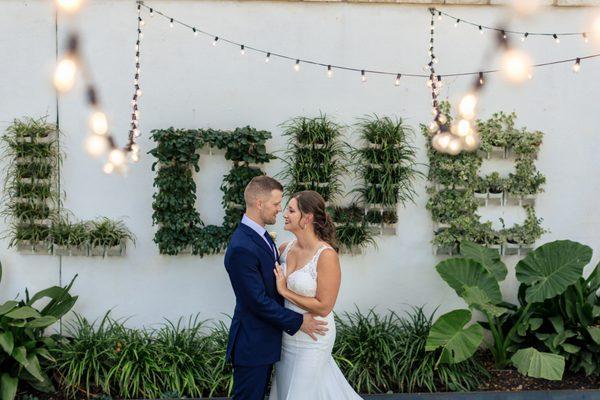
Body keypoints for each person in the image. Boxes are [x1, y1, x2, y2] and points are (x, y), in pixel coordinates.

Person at [224, 177, 328, 399]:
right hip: (252, 345)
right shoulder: (242, 246)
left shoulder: (261, 236)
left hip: (269, 342)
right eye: (276, 204)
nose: (280, 210)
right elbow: (257, 301)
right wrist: (299, 321)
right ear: (259, 203)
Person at [270, 190, 362, 399]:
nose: (285, 214)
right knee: (290, 391)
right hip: (288, 334)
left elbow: (324, 305)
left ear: (307, 218)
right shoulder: (284, 248)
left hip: (314, 336)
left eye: (291, 210)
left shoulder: (326, 255)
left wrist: (284, 290)